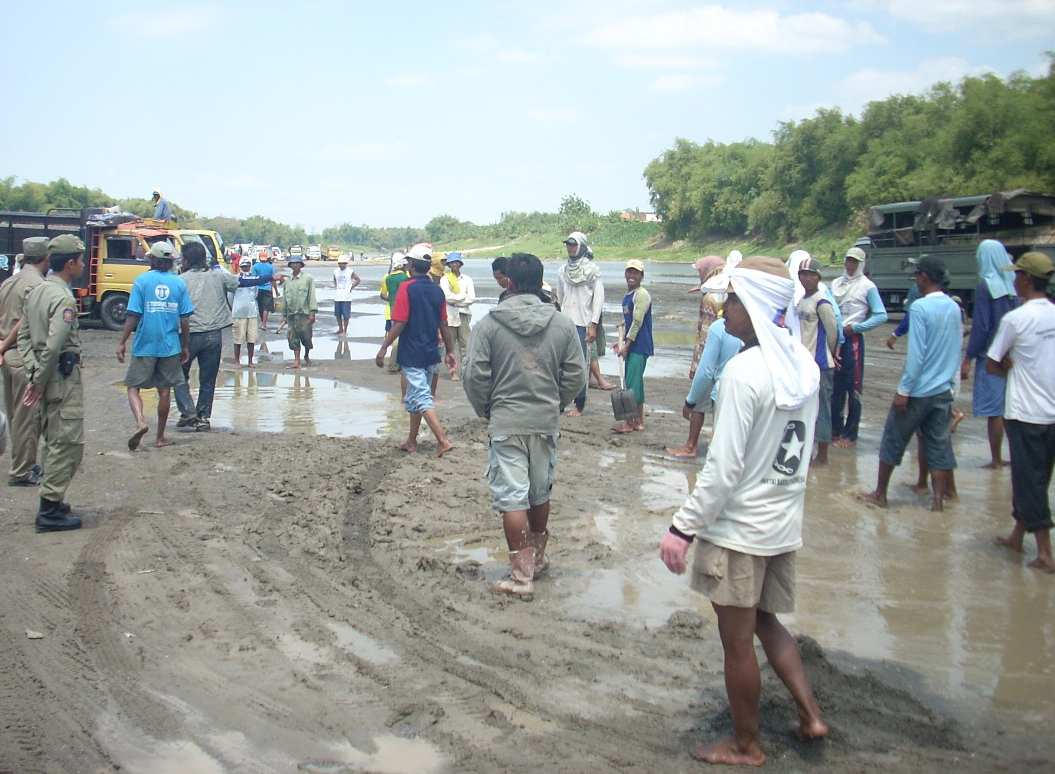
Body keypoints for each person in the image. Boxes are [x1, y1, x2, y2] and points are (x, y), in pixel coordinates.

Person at [659, 256, 825, 766]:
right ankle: (810, 715)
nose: (723, 308)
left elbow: (723, 469)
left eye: (731, 299)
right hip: (781, 522)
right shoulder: (804, 365)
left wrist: (681, 528)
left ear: (754, 305)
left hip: (739, 531)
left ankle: (747, 745)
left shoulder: (742, 372)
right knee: (766, 621)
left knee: (735, 643)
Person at [462, 253, 587, 597]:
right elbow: (577, 375)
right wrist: (556, 403)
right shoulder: (561, 324)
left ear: (510, 282)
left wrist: (487, 409)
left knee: (513, 497)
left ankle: (521, 577)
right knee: (539, 492)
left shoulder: (488, 324)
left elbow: (474, 376)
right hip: (544, 420)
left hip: (507, 420)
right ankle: (538, 559)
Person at [859, 256, 961, 512]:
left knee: (893, 439)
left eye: (916, 276)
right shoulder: (953, 307)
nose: (915, 280)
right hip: (943, 390)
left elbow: (917, 355)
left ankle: (880, 494)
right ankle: (938, 501)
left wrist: (903, 390)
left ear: (924, 277)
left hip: (918, 391)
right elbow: (955, 347)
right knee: (939, 445)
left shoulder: (919, 308)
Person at [987, 251, 1055, 574]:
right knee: (1038, 478)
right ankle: (1017, 535)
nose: (1014, 280)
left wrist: (1007, 366)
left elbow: (992, 364)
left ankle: (1044, 553)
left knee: (1029, 482)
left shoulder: (1015, 319)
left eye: (1017, 274)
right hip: (1052, 413)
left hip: (1025, 412)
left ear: (1027, 279)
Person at [17, 234, 89, 532]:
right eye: (81, 260)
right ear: (70, 263)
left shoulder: (38, 292)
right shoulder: (63, 299)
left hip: (46, 375)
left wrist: (34, 373)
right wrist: (39, 379)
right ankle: (49, 510)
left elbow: (24, 338)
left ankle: (53, 500)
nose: (83, 265)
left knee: (51, 438)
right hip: (60, 378)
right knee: (67, 443)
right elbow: (54, 344)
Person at [174, 244, 273, 430]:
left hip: (188, 334)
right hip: (213, 334)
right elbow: (243, 282)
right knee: (208, 379)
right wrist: (269, 278)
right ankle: (203, 418)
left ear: (186, 260)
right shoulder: (218, 275)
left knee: (179, 374)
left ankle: (187, 411)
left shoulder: (180, 281)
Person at [374, 245, 456, 457]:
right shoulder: (436, 290)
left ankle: (443, 441)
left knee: (421, 397)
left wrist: (384, 347)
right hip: (431, 350)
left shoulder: (407, 287)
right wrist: (450, 351)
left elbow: (400, 322)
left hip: (412, 351)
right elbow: (444, 324)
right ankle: (411, 441)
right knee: (414, 398)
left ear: (410, 264)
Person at [117, 242, 193, 451]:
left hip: (145, 343)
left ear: (152, 259)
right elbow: (185, 319)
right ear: (170, 262)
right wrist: (185, 345)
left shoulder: (141, 281)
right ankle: (160, 437)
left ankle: (141, 422)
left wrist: (122, 341)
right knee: (165, 390)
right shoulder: (179, 284)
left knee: (133, 387)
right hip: (170, 345)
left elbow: (133, 315)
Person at [961, 239, 1020, 469]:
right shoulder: (1015, 286)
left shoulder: (986, 287)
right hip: (1013, 355)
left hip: (991, 356)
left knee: (995, 411)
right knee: (1010, 410)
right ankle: (1016, 457)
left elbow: (982, 327)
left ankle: (996, 459)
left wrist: (968, 358)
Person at [0, 237, 48, 486]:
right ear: (46, 257)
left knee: (15, 414)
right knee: (28, 416)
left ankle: (23, 464)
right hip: (22, 354)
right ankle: (22, 471)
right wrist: (6, 343)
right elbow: (25, 320)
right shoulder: (37, 284)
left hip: (8, 356)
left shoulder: (9, 281)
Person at [830, 246, 887, 447]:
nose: (851, 265)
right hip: (836, 338)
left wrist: (857, 327)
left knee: (853, 386)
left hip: (853, 340)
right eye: (848, 260)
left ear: (861, 264)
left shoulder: (867, 286)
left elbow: (881, 315)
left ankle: (850, 434)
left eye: (855, 261)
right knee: (835, 386)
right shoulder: (836, 283)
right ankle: (835, 429)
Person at [667, 315, 741, 459]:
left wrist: (690, 402)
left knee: (722, 452)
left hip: (726, 391)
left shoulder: (720, 327)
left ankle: (691, 446)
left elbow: (705, 371)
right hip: (755, 391)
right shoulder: (764, 325)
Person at [553, 232, 604, 417]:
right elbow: (559, 298)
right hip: (565, 323)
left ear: (582, 246)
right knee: (561, 365)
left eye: (574, 245)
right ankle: (560, 402)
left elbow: (598, 299)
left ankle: (579, 404)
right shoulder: (562, 271)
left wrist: (593, 324)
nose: (570, 248)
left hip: (583, 324)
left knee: (581, 365)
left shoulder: (592, 271)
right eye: (568, 245)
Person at [796, 258, 839, 465]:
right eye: (803, 274)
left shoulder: (822, 302)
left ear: (818, 277)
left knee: (822, 410)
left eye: (811, 275)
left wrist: (833, 354)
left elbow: (833, 332)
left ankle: (822, 456)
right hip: (806, 364)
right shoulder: (802, 300)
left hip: (820, 364)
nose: (807, 278)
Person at [612, 259, 653, 433]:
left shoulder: (641, 294)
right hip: (633, 344)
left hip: (639, 345)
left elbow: (637, 322)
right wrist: (620, 341)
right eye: (629, 272)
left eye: (636, 273)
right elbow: (629, 321)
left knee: (632, 385)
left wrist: (627, 346)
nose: (632, 275)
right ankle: (638, 421)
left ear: (641, 276)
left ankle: (629, 422)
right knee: (635, 383)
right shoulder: (628, 296)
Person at [440, 252, 475, 377]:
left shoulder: (467, 279)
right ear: (449, 265)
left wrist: (455, 302)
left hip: (463, 315)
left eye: (456, 262)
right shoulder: (445, 279)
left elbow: (471, 298)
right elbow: (446, 296)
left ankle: (466, 371)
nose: (454, 265)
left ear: (460, 264)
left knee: (466, 344)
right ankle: (453, 372)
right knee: (449, 346)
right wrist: (462, 297)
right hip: (449, 316)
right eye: (452, 263)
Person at [283, 254, 318, 369]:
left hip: (304, 314)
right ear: (290, 265)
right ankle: (296, 361)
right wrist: (284, 315)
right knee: (293, 337)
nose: (295, 265)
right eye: (293, 263)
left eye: (297, 263)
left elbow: (311, 295)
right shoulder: (287, 281)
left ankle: (306, 355)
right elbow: (284, 299)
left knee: (307, 337)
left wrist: (312, 313)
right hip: (292, 315)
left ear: (301, 265)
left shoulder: (308, 278)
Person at [380, 253, 410, 373]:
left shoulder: (388, 278)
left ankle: (395, 364)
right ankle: (395, 365)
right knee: (401, 339)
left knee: (394, 337)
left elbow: (384, 294)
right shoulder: (405, 278)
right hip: (404, 311)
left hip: (392, 311)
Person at [333, 256, 361, 336]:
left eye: (343, 263)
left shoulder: (350, 271)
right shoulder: (336, 271)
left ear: (345, 263)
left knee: (346, 315)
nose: (341, 265)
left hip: (346, 296)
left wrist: (351, 287)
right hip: (338, 295)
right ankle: (340, 328)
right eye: (340, 263)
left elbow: (358, 279)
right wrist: (336, 286)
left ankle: (345, 330)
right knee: (338, 314)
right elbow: (334, 279)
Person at [252, 252, 277, 330]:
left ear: (259, 258)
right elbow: (273, 279)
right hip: (267, 288)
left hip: (258, 289)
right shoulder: (270, 267)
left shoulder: (255, 266)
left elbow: (253, 279)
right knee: (266, 307)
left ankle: (263, 322)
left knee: (260, 306)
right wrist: (276, 290)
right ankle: (264, 324)